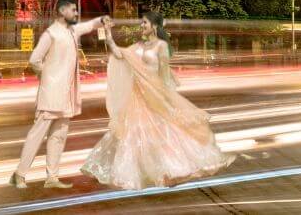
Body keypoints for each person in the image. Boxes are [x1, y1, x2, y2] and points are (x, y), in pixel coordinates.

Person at [81, 11, 234, 190]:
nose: (142, 26)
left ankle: (170, 170)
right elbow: (118, 53)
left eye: (145, 23)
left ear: (154, 26)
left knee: (165, 133)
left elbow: (164, 74)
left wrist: (166, 97)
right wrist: (107, 32)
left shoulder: (161, 46)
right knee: (132, 135)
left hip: (154, 96)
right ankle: (135, 171)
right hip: (137, 98)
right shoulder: (138, 46)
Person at [10, 0, 108, 189]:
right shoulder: (51, 34)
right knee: (37, 135)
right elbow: (34, 60)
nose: (76, 13)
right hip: (51, 93)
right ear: (62, 11)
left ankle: (52, 177)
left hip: (66, 95)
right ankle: (19, 175)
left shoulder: (71, 31)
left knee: (59, 136)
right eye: (73, 9)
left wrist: (101, 21)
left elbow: (89, 25)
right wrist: (47, 76)